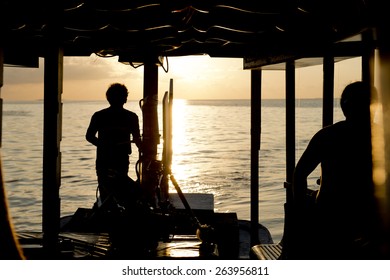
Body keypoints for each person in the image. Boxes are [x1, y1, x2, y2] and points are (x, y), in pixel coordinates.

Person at [291, 81, 380, 259]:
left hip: (329, 220)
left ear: (344, 107)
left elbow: (300, 174)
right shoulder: (382, 137)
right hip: (370, 221)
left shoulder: (327, 136)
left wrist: (301, 214)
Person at [86, 83, 141, 204]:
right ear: (125, 99)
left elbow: (89, 137)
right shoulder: (130, 117)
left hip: (112, 159)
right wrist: (105, 145)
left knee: (110, 193)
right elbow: (137, 140)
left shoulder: (100, 115)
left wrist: (103, 145)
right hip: (108, 159)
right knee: (114, 192)